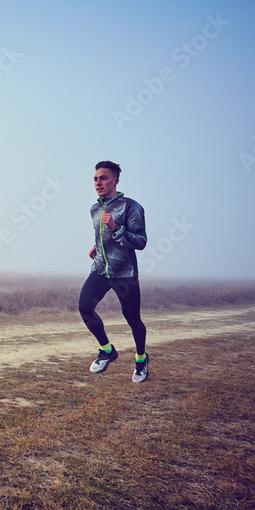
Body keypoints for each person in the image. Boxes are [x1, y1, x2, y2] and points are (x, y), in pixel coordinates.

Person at [79, 161, 150, 382]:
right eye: (95, 179)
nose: (98, 182)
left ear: (115, 181)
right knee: (84, 307)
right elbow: (101, 237)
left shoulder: (131, 207)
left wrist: (116, 229)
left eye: (103, 178)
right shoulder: (95, 209)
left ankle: (141, 359)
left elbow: (140, 242)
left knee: (132, 319)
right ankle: (107, 350)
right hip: (100, 270)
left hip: (124, 273)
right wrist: (97, 247)